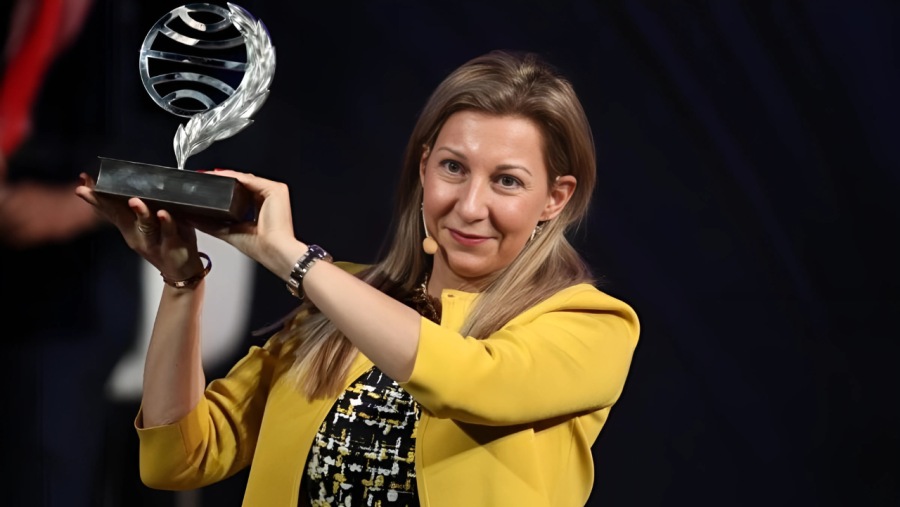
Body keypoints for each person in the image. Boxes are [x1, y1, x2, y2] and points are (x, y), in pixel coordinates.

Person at [75, 51, 640, 507]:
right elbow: (178, 459)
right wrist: (182, 284)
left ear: (555, 198)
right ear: (423, 168)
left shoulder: (591, 324)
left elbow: (467, 382)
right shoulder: (336, 300)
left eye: (508, 181)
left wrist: (295, 261)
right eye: (453, 168)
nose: (470, 206)